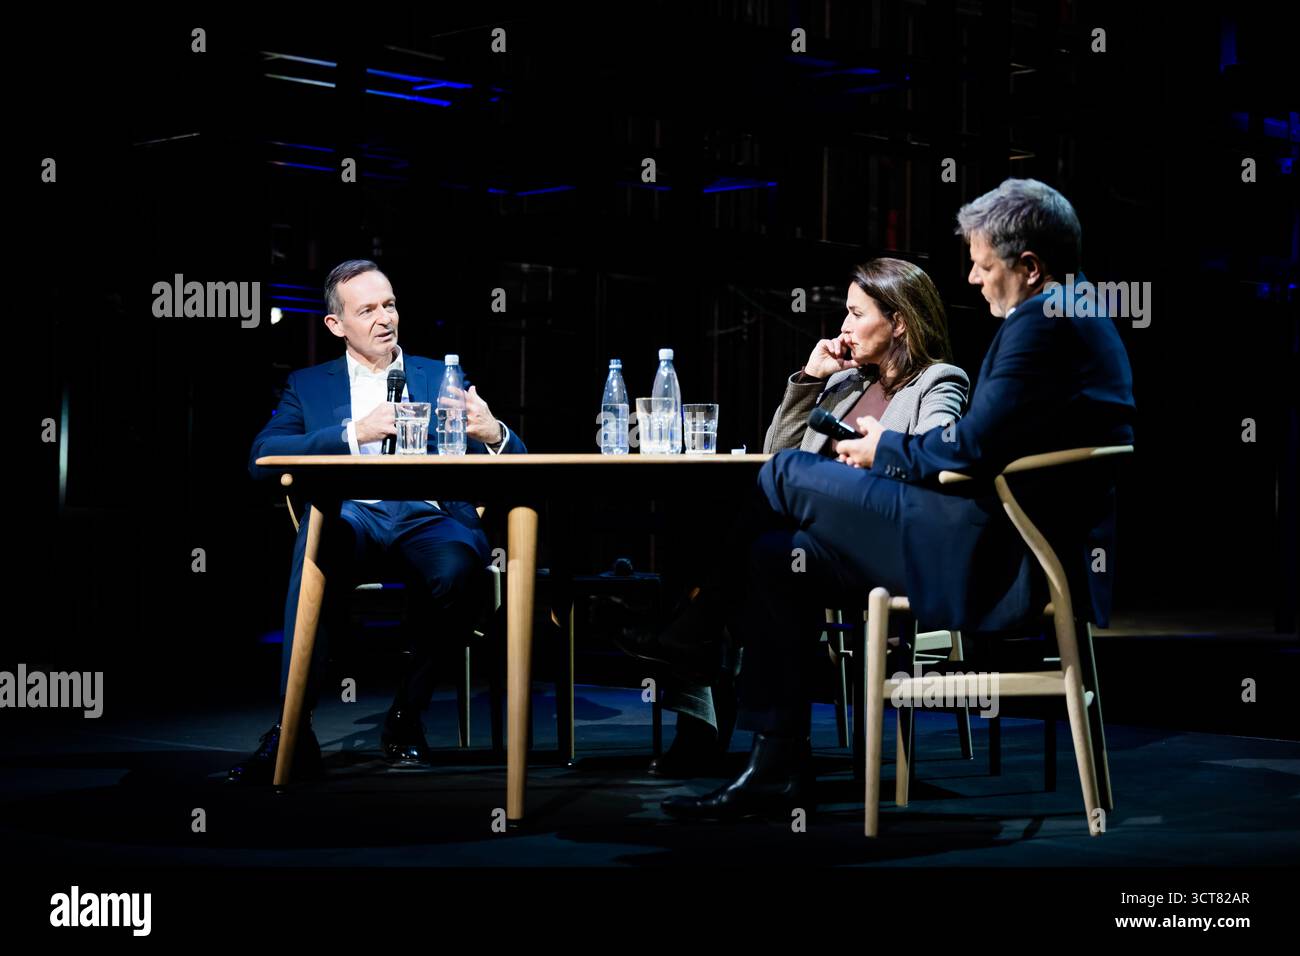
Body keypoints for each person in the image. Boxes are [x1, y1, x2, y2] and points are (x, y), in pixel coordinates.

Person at [662, 178, 1136, 820]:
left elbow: (966, 447)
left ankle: (690, 633)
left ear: (1028, 268)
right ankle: (778, 763)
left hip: (990, 553)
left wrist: (884, 448)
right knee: (777, 556)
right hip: (986, 536)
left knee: (784, 475)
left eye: (982, 264)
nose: (972, 279)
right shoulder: (1078, 315)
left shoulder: (1042, 325)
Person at [616, 258, 969, 777]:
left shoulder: (937, 380)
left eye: (855, 313)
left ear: (899, 321)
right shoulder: (846, 384)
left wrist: (877, 449)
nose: (843, 328)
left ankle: (693, 646)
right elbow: (777, 455)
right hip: (809, 540)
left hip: (880, 540)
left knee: (737, 552)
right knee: (739, 545)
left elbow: (938, 449)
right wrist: (810, 379)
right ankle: (731, 720)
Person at [228, 259, 527, 784]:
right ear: (336, 324)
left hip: (426, 516)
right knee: (316, 548)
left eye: (388, 304)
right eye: (366, 309)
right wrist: (353, 432)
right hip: (354, 513)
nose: (383, 318)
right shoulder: (309, 385)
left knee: (460, 567)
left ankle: (407, 714)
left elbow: (516, 457)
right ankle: (292, 728)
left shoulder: (440, 374)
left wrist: (493, 431)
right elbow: (261, 457)